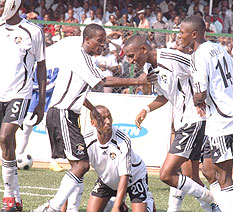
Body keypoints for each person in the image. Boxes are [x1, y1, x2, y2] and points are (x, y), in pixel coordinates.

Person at [33, 24, 149, 212]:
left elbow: (78, 93)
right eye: (99, 40)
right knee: (82, 165)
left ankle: (67, 209)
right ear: (87, 39)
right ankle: (52, 208)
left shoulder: (83, 58)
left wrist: (93, 108)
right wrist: (139, 80)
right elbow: (105, 81)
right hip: (63, 113)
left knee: (78, 167)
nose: (102, 45)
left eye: (104, 41)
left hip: (66, 113)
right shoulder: (82, 58)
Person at [123, 35, 221, 212]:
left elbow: (202, 68)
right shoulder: (148, 66)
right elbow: (165, 96)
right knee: (189, 176)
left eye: (131, 55)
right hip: (182, 123)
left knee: (167, 173)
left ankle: (214, 199)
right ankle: (214, 208)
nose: (130, 61)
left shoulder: (170, 58)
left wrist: (202, 99)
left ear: (144, 50)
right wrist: (146, 109)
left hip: (194, 120)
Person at [179, 15, 233, 212]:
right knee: (208, 170)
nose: (180, 37)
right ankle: (218, 208)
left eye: (182, 33)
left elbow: (200, 93)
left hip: (223, 120)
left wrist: (196, 101)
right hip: (222, 117)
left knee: (224, 177)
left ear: (194, 34)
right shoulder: (219, 48)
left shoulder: (198, 56)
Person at [0, 0, 47, 211]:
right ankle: (16, 199)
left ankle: (9, 196)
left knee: (5, 137)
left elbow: (41, 66)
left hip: (20, 94)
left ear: (13, 4)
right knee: (6, 145)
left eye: (1, 4)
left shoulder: (33, 31)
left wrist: (41, 102)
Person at [83, 105, 155, 212]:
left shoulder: (122, 140)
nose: (108, 121)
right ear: (93, 123)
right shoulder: (87, 141)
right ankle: (113, 201)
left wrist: (116, 207)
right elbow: (77, 171)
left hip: (134, 178)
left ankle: (148, 201)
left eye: (109, 117)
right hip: (107, 180)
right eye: (102, 118)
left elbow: (124, 176)